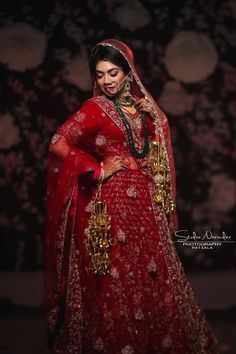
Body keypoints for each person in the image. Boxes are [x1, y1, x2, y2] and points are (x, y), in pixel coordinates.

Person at [45, 39, 219, 354]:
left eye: (113, 72)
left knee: (152, 277)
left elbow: (154, 157)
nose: (107, 80)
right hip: (111, 206)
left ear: (128, 73)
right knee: (115, 281)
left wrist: (158, 117)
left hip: (145, 206)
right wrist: (97, 169)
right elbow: (58, 143)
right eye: (100, 75)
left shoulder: (138, 108)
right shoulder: (95, 108)